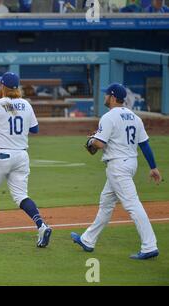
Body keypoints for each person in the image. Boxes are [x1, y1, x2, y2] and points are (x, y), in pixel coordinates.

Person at [71, 83, 162, 260]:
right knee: (106, 203)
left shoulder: (108, 117)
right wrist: (153, 167)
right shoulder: (135, 117)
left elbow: (99, 144)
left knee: (132, 205)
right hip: (130, 163)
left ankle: (149, 246)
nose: (104, 97)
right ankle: (88, 240)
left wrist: (91, 141)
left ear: (113, 97)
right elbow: (144, 144)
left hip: (118, 166)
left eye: (106, 94)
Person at [0, 72, 52, 246]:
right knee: (21, 195)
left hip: (1, 154)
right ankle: (41, 225)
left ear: (2, 87)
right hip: (21, 155)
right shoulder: (26, 104)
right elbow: (35, 129)